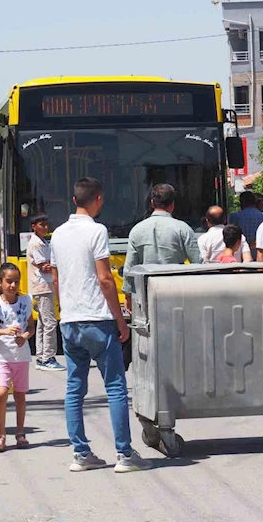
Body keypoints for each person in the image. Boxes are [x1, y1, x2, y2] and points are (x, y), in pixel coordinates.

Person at [51, 177, 152, 473]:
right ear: (98, 200)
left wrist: (63, 310)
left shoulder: (56, 234)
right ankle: (124, 454)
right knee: (116, 387)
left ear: (73, 200)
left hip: (70, 321)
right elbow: (105, 279)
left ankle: (81, 454)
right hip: (97, 318)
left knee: (74, 389)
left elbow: (56, 279)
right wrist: (120, 320)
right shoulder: (97, 231)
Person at [122, 183, 202, 311]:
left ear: (152, 203)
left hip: (146, 296)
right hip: (177, 295)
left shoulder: (136, 230)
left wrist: (128, 295)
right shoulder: (183, 229)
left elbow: (129, 268)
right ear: (172, 204)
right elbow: (197, 263)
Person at [0, 263, 35, 452]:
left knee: (20, 394)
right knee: (2, 392)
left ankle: (20, 432)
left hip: (21, 356)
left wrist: (24, 337)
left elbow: (31, 327)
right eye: (9, 281)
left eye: (16, 281)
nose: (13, 285)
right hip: (2, 356)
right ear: (0, 282)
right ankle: (1, 434)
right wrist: (4, 331)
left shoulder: (25, 301)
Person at [26, 213, 64, 371]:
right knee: (50, 322)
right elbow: (44, 266)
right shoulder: (37, 244)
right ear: (34, 227)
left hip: (45, 285)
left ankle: (41, 356)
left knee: (42, 322)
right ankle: (48, 357)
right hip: (42, 286)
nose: (45, 227)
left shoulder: (43, 242)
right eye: (42, 225)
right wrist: (56, 265)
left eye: (46, 224)